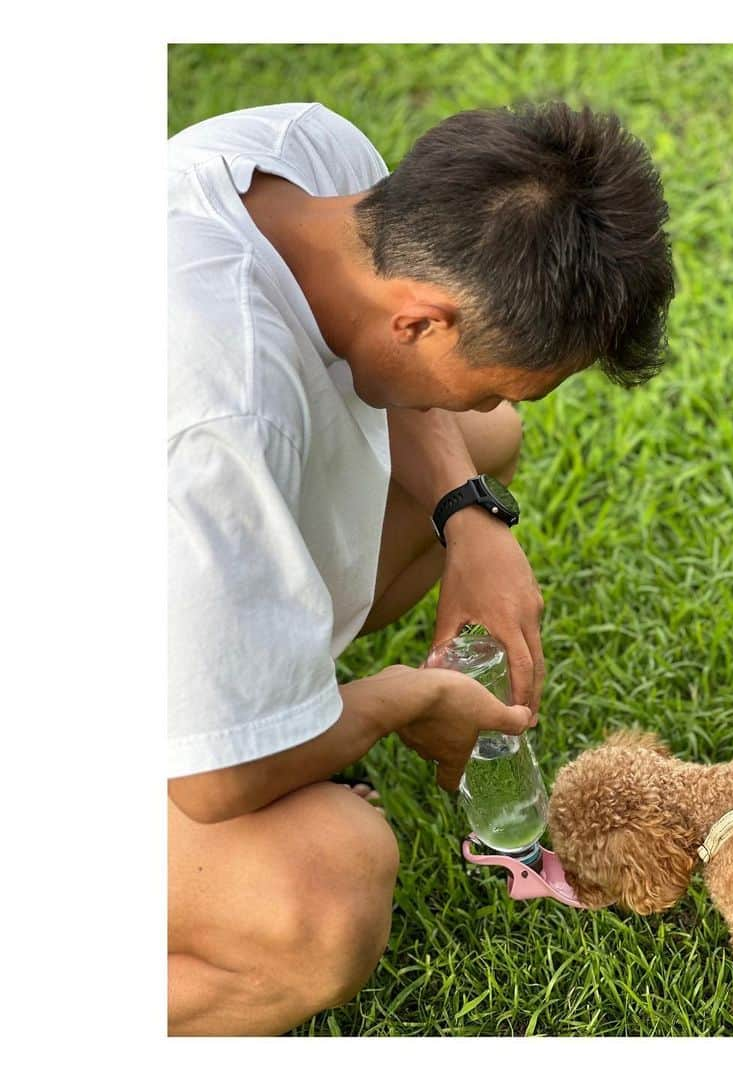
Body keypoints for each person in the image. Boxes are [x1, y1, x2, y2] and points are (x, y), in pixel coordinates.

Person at [167, 99, 675, 1035]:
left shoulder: (316, 161)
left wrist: (471, 518)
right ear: (420, 322)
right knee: (322, 898)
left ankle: (263, 682)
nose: (485, 397)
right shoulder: (220, 421)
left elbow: (438, 412)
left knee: (485, 442)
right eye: (487, 371)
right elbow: (213, 786)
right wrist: (400, 702)